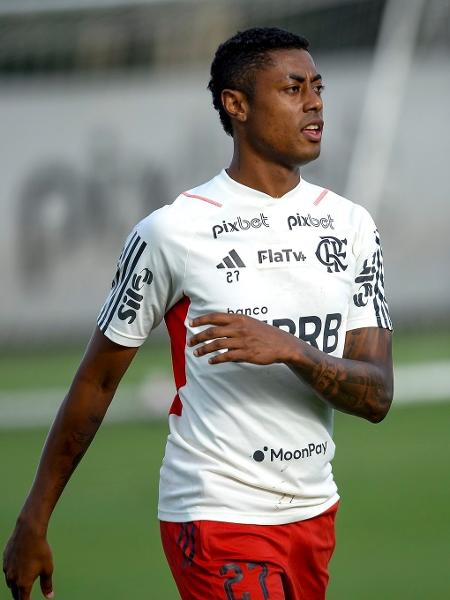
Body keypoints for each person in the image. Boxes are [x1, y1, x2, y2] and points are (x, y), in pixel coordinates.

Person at [3, 27, 393, 600]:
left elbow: (377, 395)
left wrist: (290, 349)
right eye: (292, 88)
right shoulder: (172, 231)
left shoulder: (353, 226)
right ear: (236, 105)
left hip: (313, 511)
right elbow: (97, 380)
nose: (314, 103)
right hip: (213, 512)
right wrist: (34, 518)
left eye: (318, 87)